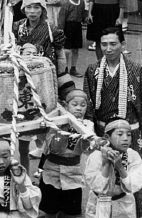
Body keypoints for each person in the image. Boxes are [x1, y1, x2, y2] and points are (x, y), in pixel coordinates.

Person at [83, 27, 142, 218]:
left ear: (123, 45)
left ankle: (133, 213)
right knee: (103, 173)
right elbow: (88, 102)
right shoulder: (93, 71)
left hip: (129, 132)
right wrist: (89, 130)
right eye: (104, 44)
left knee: (130, 172)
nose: (108, 49)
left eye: (113, 44)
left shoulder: (136, 70)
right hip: (103, 133)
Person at [38, 89, 93, 218]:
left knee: (70, 213)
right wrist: (62, 129)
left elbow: (88, 150)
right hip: (51, 171)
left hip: (73, 173)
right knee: (48, 211)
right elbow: (50, 145)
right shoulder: (55, 121)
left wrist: (87, 137)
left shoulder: (87, 125)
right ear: (66, 105)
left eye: (83, 105)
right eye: (74, 104)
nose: (78, 108)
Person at [84, 118, 142, 218]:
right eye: (120, 134)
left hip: (124, 205)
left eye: (128, 135)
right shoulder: (96, 156)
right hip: (98, 204)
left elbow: (135, 185)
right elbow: (95, 185)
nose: (125, 138)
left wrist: (120, 167)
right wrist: (107, 164)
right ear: (107, 137)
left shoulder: (133, 156)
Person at [58, 0, 86, 78]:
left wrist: (86, 19)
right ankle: (64, 68)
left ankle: (73, 68)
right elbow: (62, 17)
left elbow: (83, 15)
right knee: (66, 50)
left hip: (77, 27)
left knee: (75, 49)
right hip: (68, 27)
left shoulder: (81, 2)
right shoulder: (66, 3)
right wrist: (60, 29)